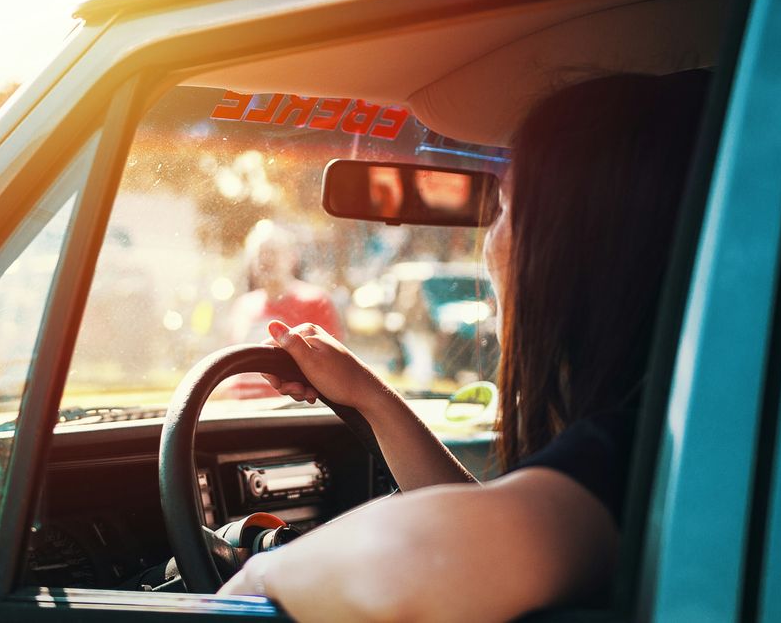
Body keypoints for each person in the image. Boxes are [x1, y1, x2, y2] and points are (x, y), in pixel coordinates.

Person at [219, 71, 710, 621]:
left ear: (571, 250)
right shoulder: (680, 428)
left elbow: (416, 559)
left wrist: (256, 575)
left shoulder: (628, 446)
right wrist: (370, 397)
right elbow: (485, 522)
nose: (489, 240)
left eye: (501, 210)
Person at [222, 221, 343, 399]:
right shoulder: (244, 305)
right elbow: (232, 366)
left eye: (273, 252)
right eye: (259, 254)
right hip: (243, 411)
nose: (266, 259)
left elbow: (334, 368)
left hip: (288, 411)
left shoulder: (315, 301)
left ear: (292, 257)